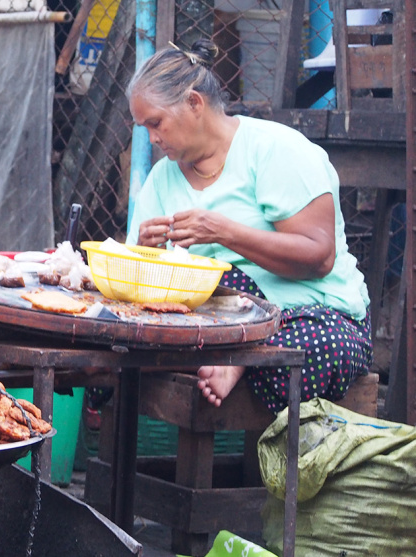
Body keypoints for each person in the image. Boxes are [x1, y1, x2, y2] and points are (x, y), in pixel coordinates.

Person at [126, 39, 372, 412]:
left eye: (155, 123)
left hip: (310, 316)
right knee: (133, 332)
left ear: (194, 103)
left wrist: (224, 232)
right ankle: (233, 356)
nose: (152, 139)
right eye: (144, 127)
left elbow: (320, 257)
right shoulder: (162, 178)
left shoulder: (275, 150)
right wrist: (146, 252)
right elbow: (140, 289)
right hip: (214, 325)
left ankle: (239, 360)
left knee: (324, 347)